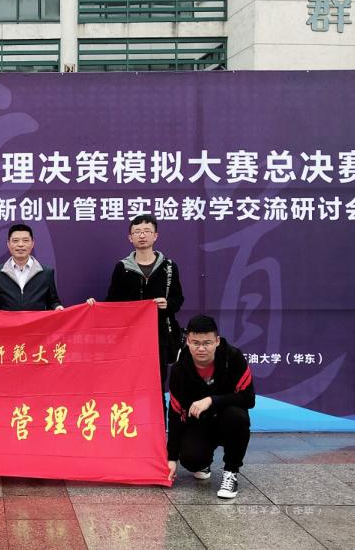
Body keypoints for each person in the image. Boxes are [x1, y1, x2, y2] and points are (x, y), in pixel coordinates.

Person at [166, 315, 254, 499]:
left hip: (227, 419)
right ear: (188, 341)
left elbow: (248, 399)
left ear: (217, 341)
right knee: (191, 460)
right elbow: (175, 413)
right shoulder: (179, 369)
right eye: (195, 343)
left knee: (237, 416)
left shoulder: (233, 358)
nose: (201, 348)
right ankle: (204, 461)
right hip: (200, 423)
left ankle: (231, 472)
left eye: (207, 343)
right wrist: (171, 458)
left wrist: (211, 400)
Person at [98, 214, 184, 391]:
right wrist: (94, 306)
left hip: (159, 333)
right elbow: (112, 302)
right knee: (130, 380)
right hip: (130, 335)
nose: (142, 235)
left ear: (155, 235)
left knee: (158, 380)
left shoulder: (169, 266)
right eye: (137, 232)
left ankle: (159, 409)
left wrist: (167, 305)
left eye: (147, 231)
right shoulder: (122, 267)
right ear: (130, 237)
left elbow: (178, 298)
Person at [0, 223, 63, 311]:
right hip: (8, 320)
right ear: (8, 244)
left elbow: (53, 302)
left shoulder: (46, 273)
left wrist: (57, 307)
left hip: (36, 320)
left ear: (32, 243)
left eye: (25, 240)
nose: (20, 244)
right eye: (15, 240)